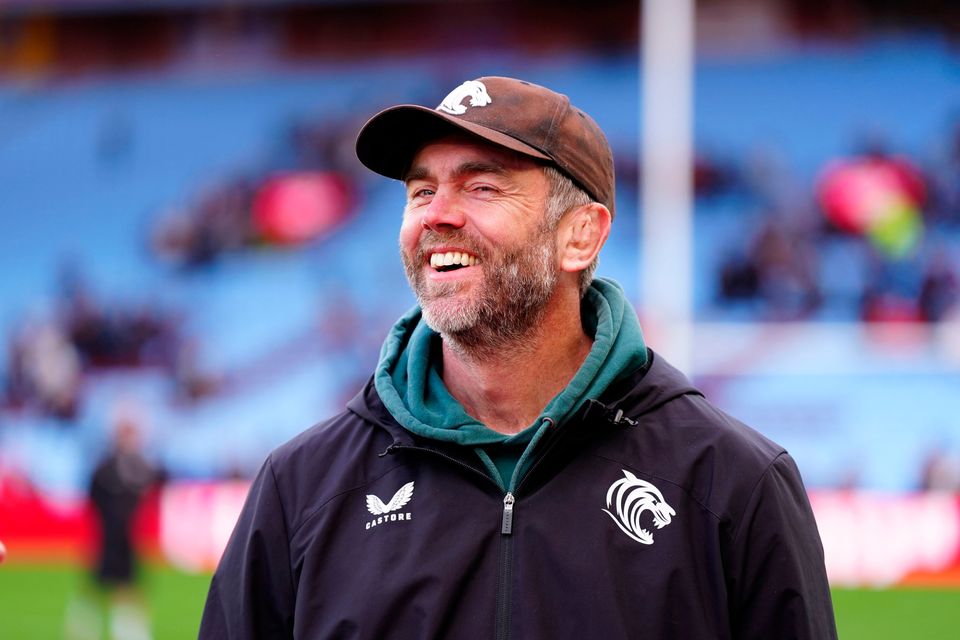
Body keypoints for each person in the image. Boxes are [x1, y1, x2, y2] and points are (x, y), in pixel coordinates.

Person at [200, 76, 837, 639]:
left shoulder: (732, 484)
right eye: (421, 191)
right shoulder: (302, 488)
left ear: (580, 236)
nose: (437, 216)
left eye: (481, 187)